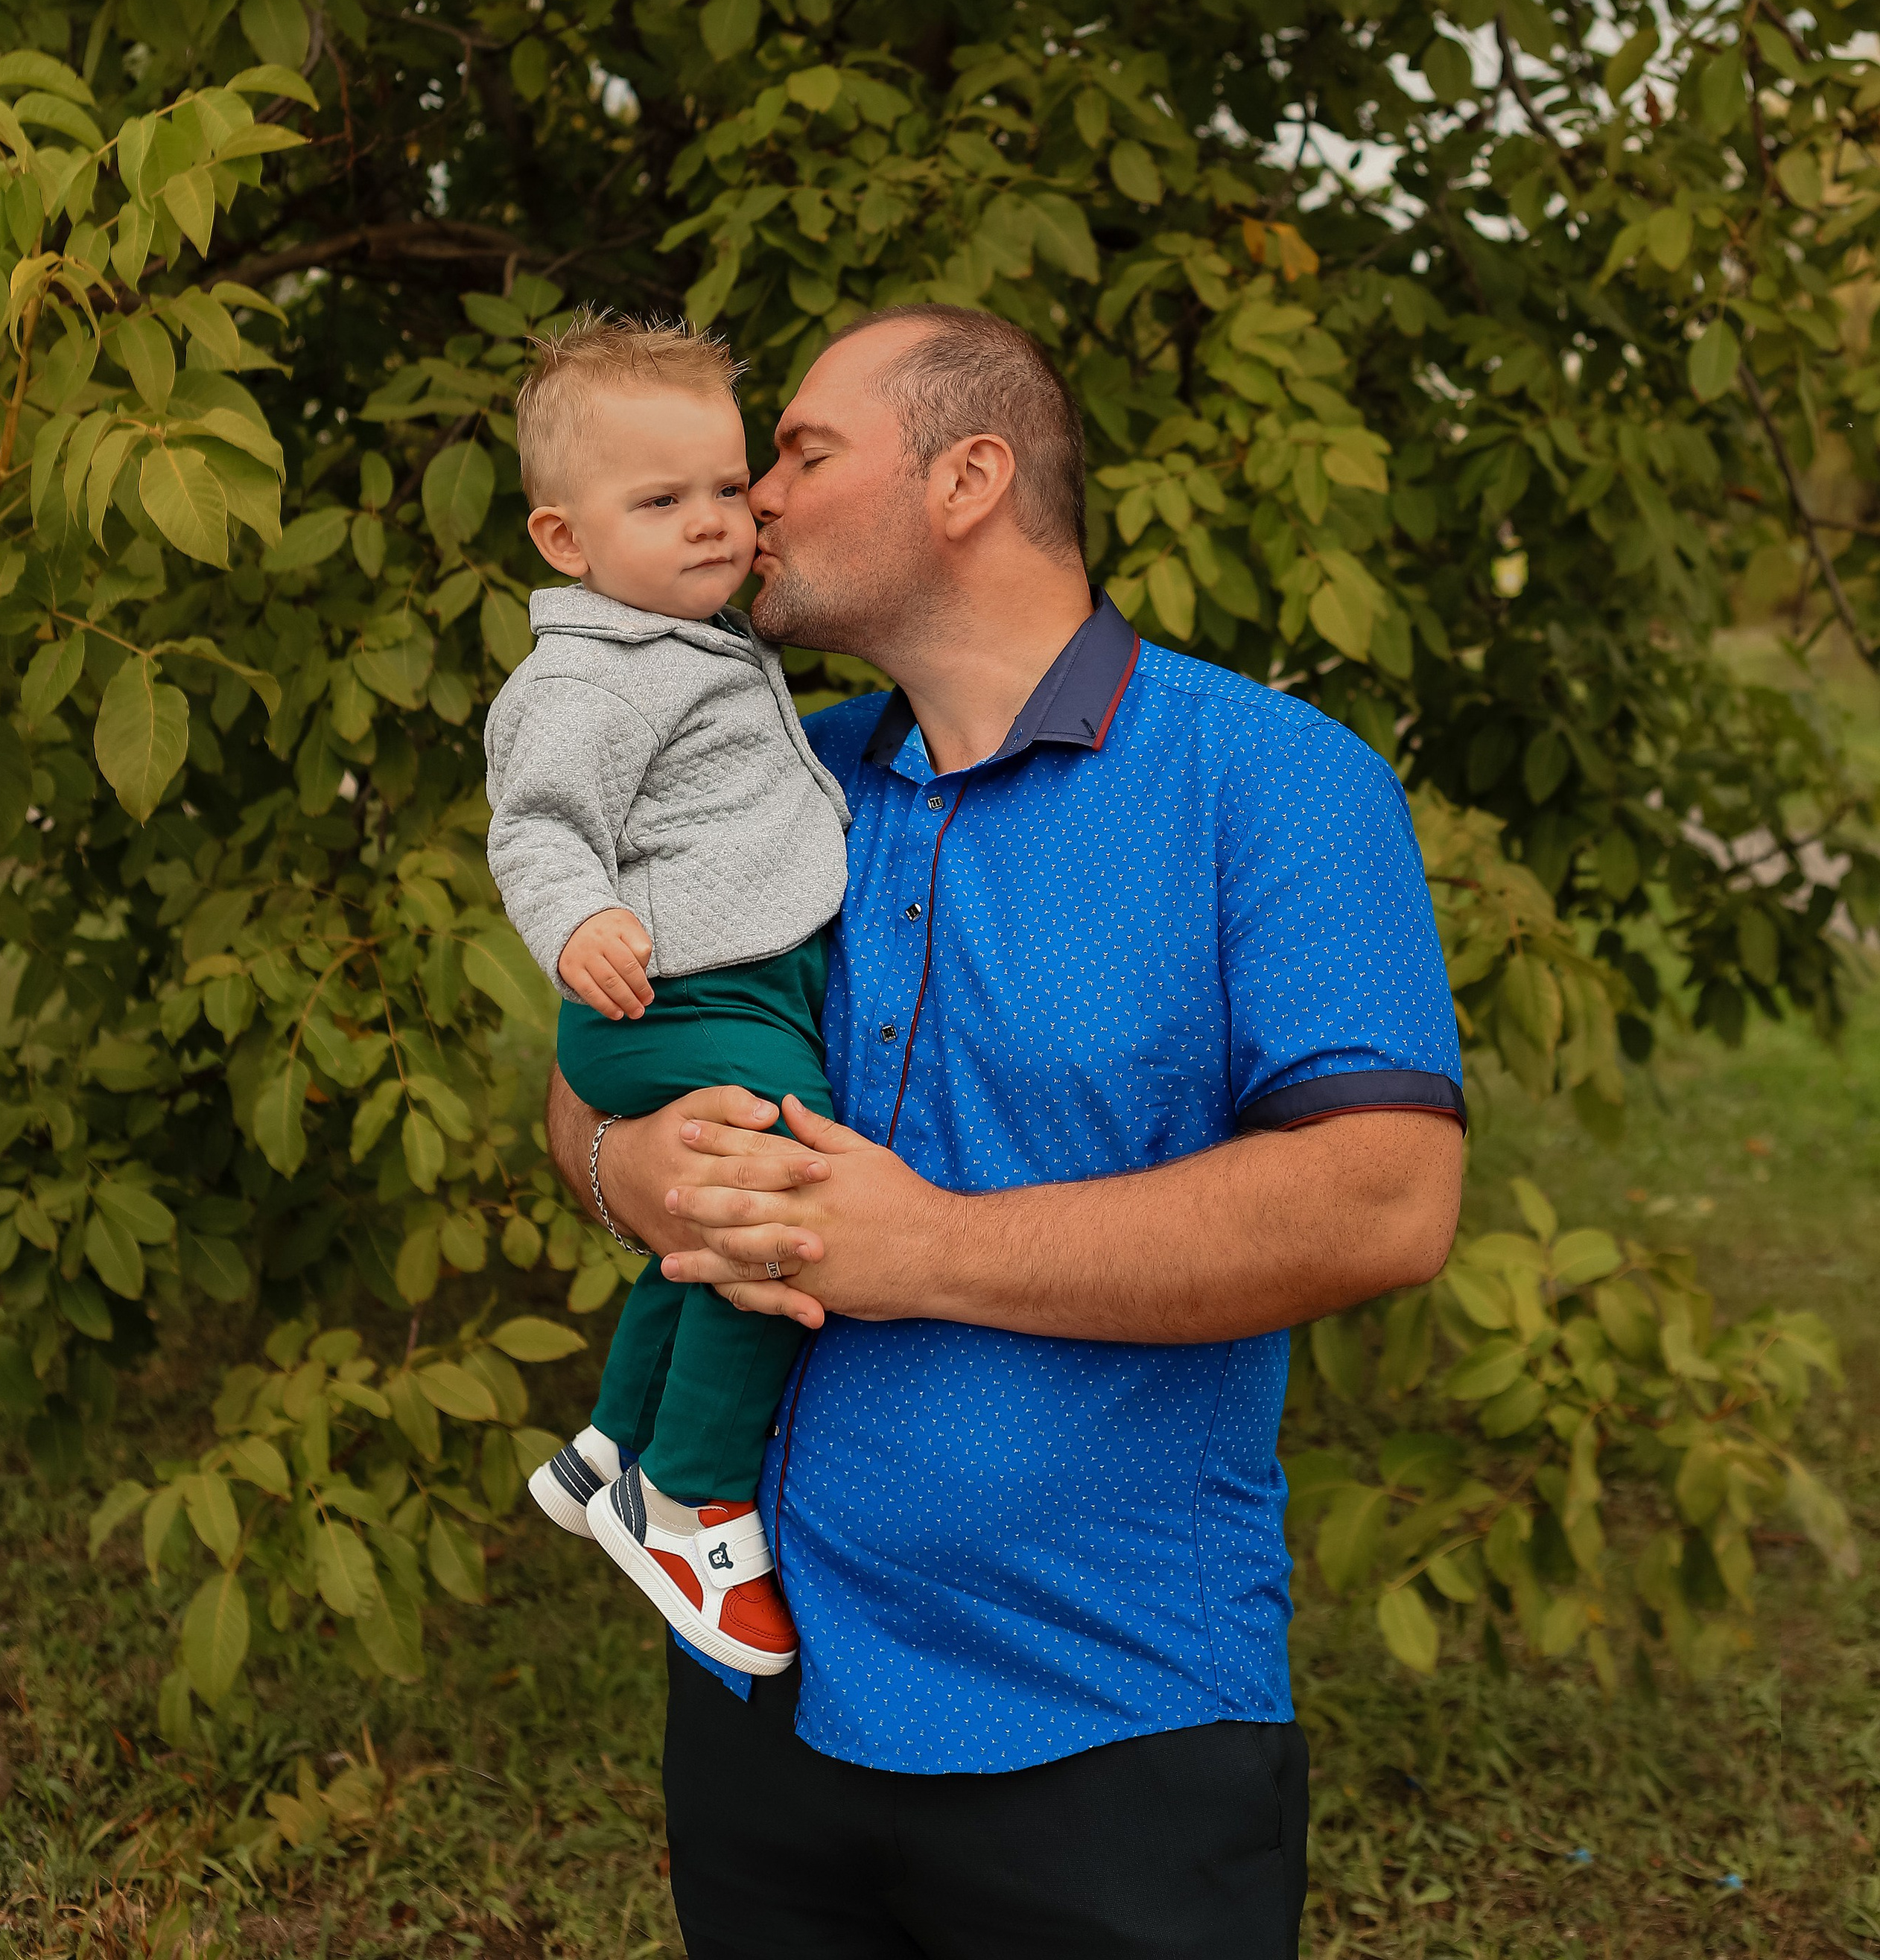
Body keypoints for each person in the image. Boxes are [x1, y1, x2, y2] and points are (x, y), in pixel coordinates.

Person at [544, 304, 1467, 1960]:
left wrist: (924, 1248)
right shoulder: (776, 772)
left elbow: (1384, 1199)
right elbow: (592, 1085)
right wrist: (633, 1172)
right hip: (759, 1688)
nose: (754, 496)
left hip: (1112, 1722)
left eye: (804, 451)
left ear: (967, 478)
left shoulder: (1272, 782)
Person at [485, 312, 851, 1675]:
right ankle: (690, 1495)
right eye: (660, 500)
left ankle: (612, 1440)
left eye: (726, 486)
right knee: (781, 1191)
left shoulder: (691, 643)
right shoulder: (589, 675)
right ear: (564, 539)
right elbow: (536, 824)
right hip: (676, 996)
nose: (713, 520)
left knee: (705, 1220)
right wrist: (577, 917)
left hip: (735, 983)